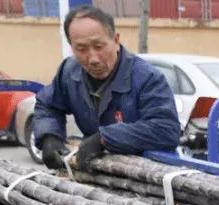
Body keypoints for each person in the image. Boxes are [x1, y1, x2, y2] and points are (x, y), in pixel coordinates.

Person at [32, 6, 182, 171]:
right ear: (72, 48)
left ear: (116, 40)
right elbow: (47, 105)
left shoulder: (146, 78)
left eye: (99, 46)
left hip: (149, 173)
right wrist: (49, 136)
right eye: (81, 49)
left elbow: (166, 130)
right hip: (99, 171)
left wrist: (104, 138)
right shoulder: (69, 73)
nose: (93, 59)